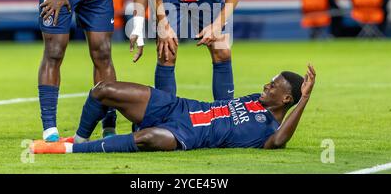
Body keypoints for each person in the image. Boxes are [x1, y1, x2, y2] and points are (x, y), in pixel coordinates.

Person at [36, 0, 164, 142]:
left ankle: (109, 125)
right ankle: (50, 129)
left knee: (103, 52)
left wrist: (136, 24)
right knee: (54, 51)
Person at [30, 64, 316, 154]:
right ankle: (80, 138)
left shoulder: (268, 131)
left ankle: (68, 150)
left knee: (148, 138)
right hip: (178, 106)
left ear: (287, 100)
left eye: (274, 85)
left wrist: (304, 99)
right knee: (103, 89)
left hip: (187, 135)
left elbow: (280, 139)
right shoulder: (258, 98)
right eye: (270, 81)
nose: (267, 85)